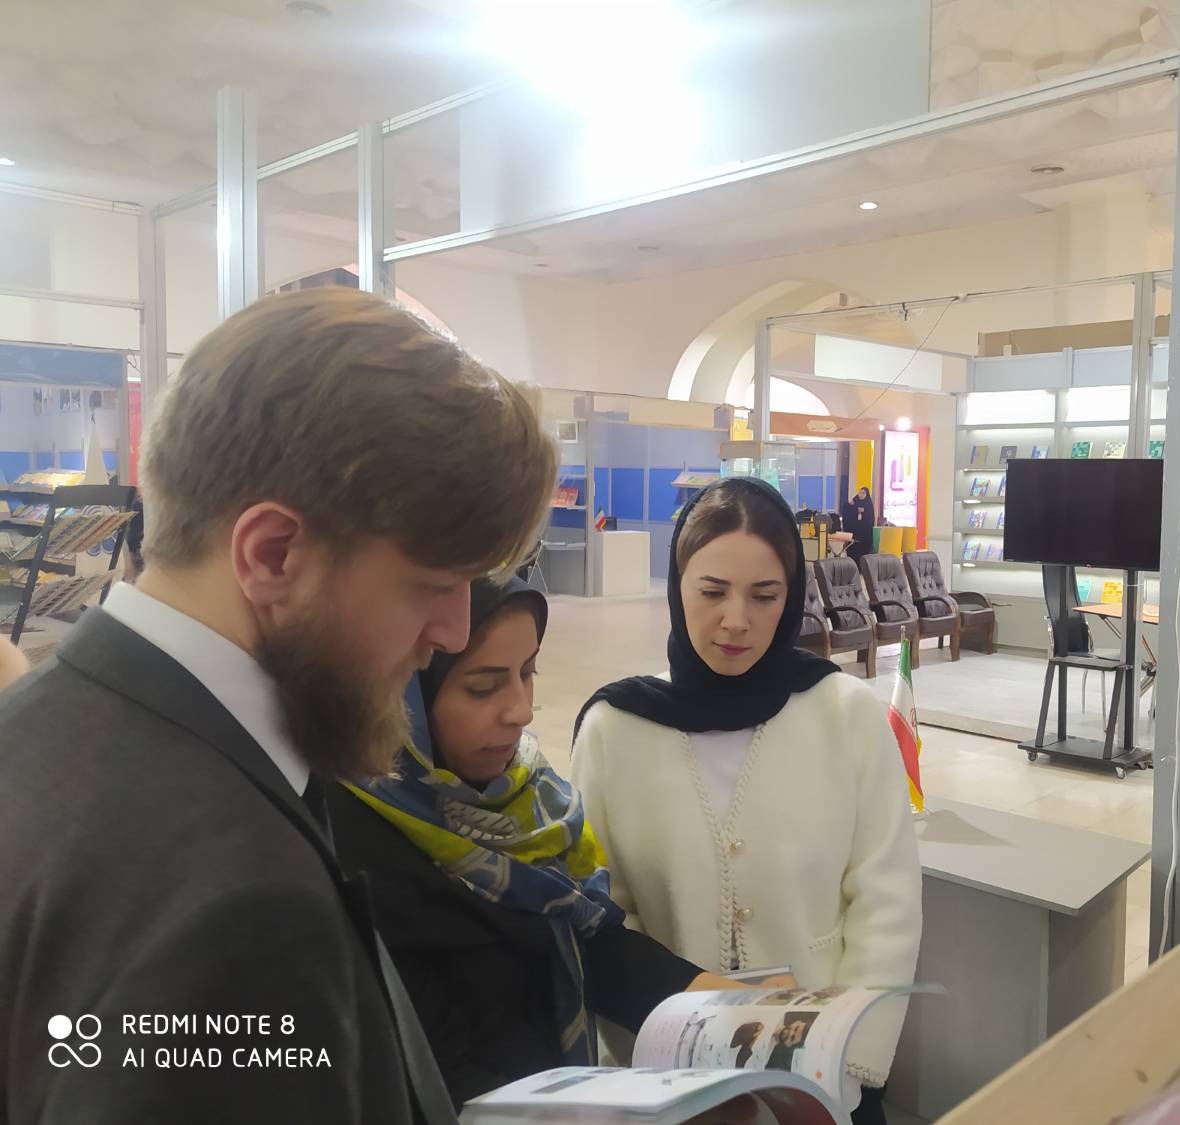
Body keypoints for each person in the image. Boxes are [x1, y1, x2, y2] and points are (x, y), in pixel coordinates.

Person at [0, 288, 557, 1125]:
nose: (451, 631)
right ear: (272, 555)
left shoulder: (37, 731)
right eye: (436, 584)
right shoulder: (239, 911)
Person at [572, 477, 922, 1125]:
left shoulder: (843, 714)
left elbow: (886, 899)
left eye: (765, 595)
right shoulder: (615, 729)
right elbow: (603, 917)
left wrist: (849, 1067)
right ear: (676, 586)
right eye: (712, 592)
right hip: (675, 1088)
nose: (737, 620)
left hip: (825, 1081)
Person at [327, 576, 741, 1107]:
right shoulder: (354, 847)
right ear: (401, 691)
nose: (521, 711)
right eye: (483, 687)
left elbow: (595, 947)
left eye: (528, 673)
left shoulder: (533, 797)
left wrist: (737, 1007)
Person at [842, 485, 876, 559]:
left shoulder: (868, 505)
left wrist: (864, 511)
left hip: (864, 535)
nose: (861, 494)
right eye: (860, 492)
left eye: (863, 493)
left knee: (863, 553)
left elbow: (870, 519)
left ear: (866, 494)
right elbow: (846, 511)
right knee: (853, 552)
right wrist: (849, 506)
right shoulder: (854, 502)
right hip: (854, 533)